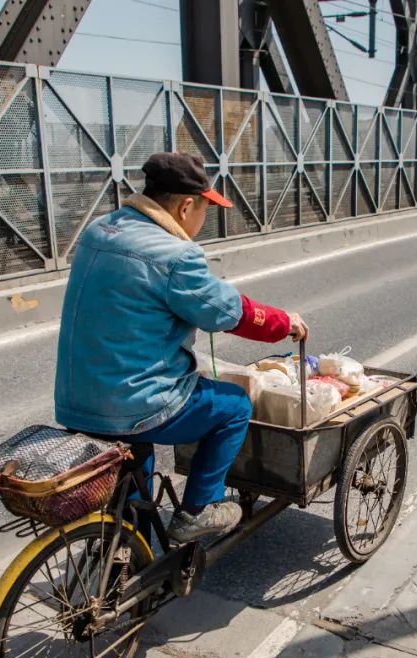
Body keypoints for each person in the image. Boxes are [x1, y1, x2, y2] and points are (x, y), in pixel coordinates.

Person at [54, 152, 308, 542]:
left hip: (76, 400)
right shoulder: (175, 254)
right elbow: (225, 311)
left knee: (134, 460)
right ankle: (197, 510)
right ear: (187, 205)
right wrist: (283, 322)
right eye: (206, 208)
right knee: (233, 406)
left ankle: (127, 547)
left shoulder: (98, 231)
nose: (204, 219)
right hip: (133, 405)